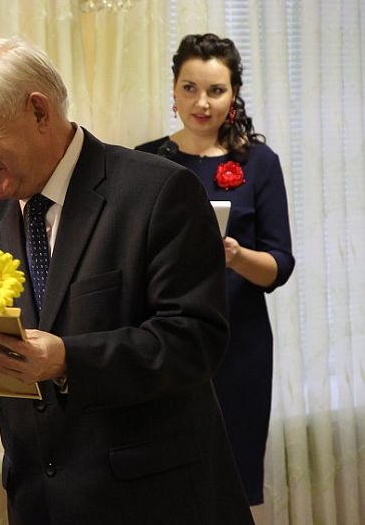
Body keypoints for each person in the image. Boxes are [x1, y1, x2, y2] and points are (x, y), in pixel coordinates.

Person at [0, 37, 254, 524]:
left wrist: (67, 359)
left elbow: (194, 341)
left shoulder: (159, 192)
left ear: (39, 112)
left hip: (153, 504)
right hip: (39, 506)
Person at [135, 33, 295, 508]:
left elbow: (279, 266)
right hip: (163, 342)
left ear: (234, 94)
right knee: (167, 489)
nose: (201, 103)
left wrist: (234, 255)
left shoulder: (259, 163)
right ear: (173, 89)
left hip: (238, 343)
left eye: (215, 90)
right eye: (189, 88)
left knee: (231, 489)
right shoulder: (145, 160)